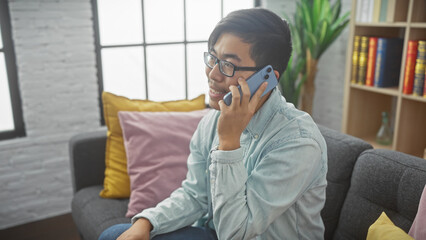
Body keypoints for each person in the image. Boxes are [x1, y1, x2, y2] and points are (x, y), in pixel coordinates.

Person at [99, 7, 327, 240]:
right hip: (214, 232)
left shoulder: (298, 142)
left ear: (267, 79)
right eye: (212, 58)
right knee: (114, 235)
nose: (213, 74)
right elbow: (196, 195)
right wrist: (147, 222)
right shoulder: (212, 122)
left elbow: (236, 232)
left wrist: (229, 143)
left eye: (228, 65)